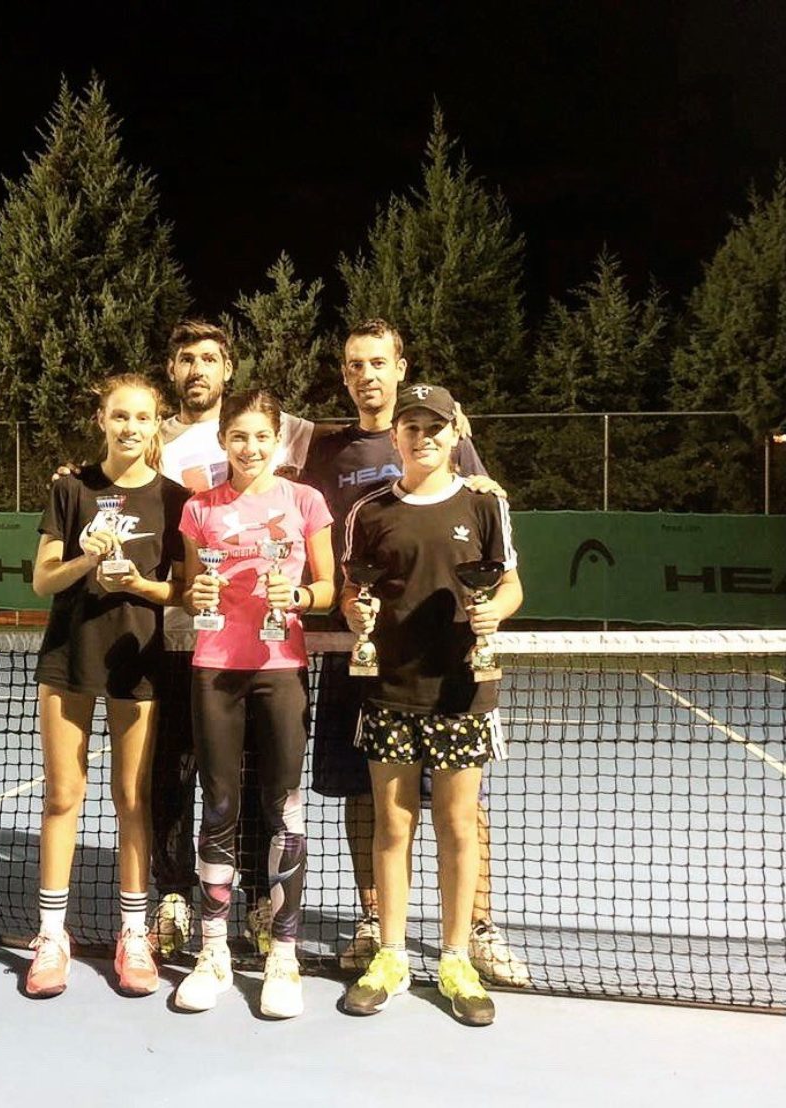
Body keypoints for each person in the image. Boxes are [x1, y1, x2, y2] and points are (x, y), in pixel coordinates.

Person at [300, 319, 530, 987]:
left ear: (400, 368)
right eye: (354, 364)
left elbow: (491, 543)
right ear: (344, 375)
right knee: (365, 796)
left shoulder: (460, 460)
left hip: (452, 669)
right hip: (365, 657)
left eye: (377, 361)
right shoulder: (324, 449)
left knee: (459, 809)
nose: (365, 374)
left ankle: (476, 930)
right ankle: (377, 923)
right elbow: (249, 443)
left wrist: (494, 608)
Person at [339, 383, 522, 1025]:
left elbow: (511, 585)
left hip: (461, 692)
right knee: (393, 826)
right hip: (390, 691)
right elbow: (352, 592)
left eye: (434, 427)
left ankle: (455, 957)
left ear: (455, 434)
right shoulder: (368, 512)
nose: (423, 438)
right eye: (412, 428)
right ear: (396, 437)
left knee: (456, 826)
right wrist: (354, 611)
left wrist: (495, 612)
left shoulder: (485, 504)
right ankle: (391, 955)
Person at [151, 320, 313, 959]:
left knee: (253, 780)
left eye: (210, 358)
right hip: (179, 641)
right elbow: (112, 472)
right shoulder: (154, 436)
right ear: (172, 369)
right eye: (186, 358)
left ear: (228, 369)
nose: (197, 369)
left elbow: (358, 432)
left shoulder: (268, 427)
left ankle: (253, 900)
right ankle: (174, 896)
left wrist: (464, 449)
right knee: (175, 774)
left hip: (263, 648)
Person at [25, 374, 189, 999]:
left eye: (142, 417)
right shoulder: (71, 489)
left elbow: (181, 591)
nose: (130, 427)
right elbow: (43, 580)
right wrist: (87, 559)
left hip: (136, 661)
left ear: (156, 424)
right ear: (101, 419)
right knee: (62, 796)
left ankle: (133, 934)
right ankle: (51, 936)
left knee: (132, 798)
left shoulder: (174, 499)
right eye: (120, 416)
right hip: (69, 658)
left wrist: (137, 586)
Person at [175, 388, 334, 1018]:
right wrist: (196, 593)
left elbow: (329, 588)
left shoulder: (306, 501)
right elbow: (191, 587)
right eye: (238, 436)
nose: (250, 447)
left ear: (278, 440)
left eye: (261, 435)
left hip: (281, 669)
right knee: (218, 806)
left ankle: (283, 956)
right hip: (215, 668)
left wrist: (298, 596)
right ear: (224, 441)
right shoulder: (199, 509)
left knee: (284, 810)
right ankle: (213, 952)